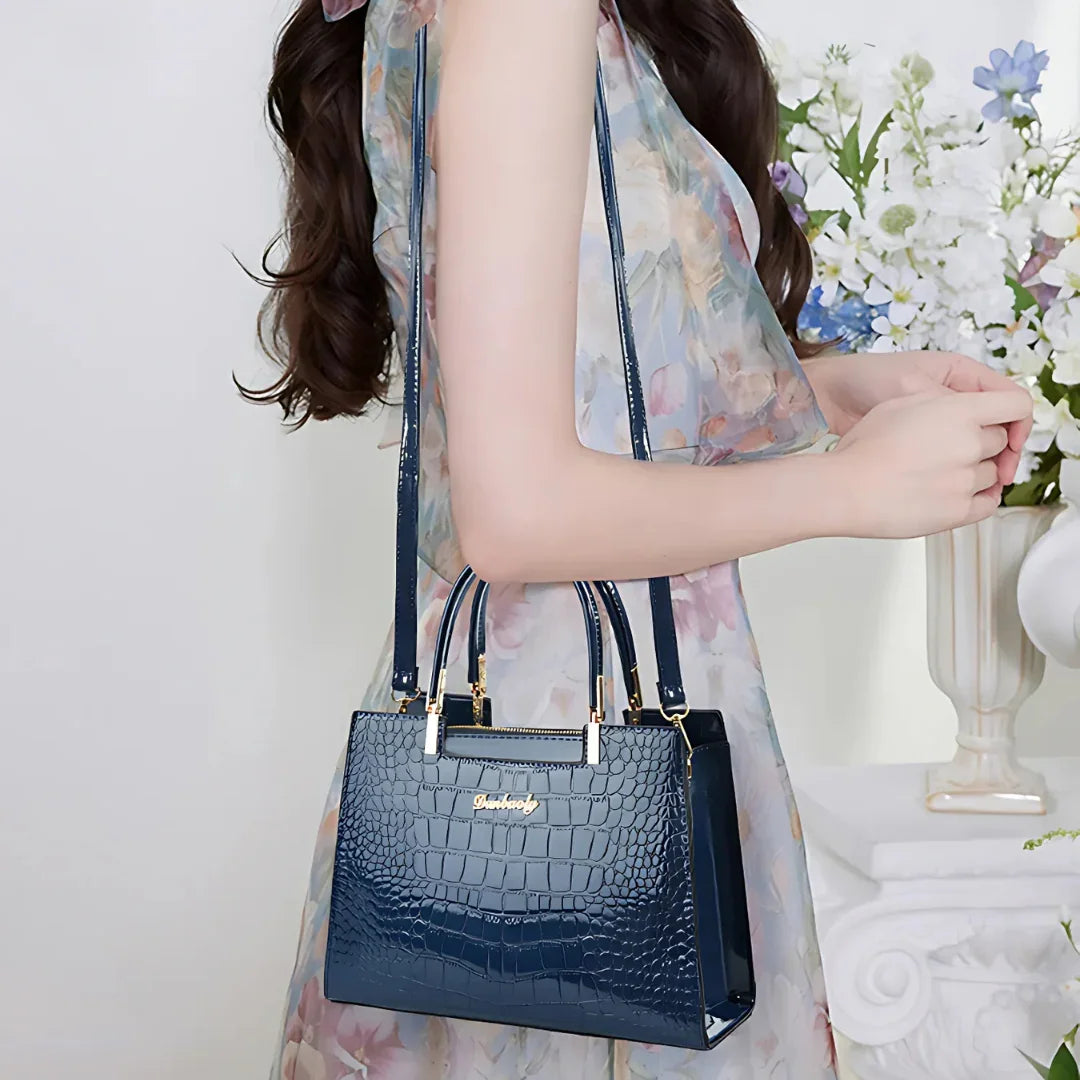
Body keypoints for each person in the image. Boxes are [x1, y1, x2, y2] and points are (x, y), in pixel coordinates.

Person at [248, 1, 1033, 1076]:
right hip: (562, 754)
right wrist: (846, 489)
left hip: (577, 717)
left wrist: (835, 394)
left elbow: (593, 386)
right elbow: (515, 516)